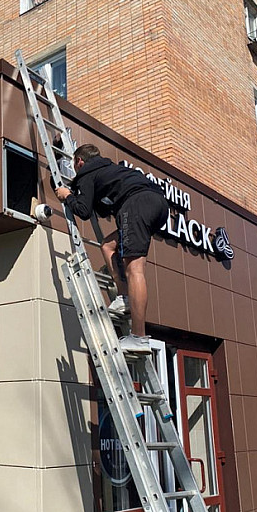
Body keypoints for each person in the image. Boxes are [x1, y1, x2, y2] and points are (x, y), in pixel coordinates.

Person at [54, 144, 168, 355]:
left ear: (80, 161)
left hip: (136, 204)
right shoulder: (110, 170)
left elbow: (83, 211)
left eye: (74, 164)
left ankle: (139, 337)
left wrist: (67, 195)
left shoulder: (87, 174)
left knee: (135, 269)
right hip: (158, 205)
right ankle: (124, 297)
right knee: (108, 246)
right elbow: (103, 207)